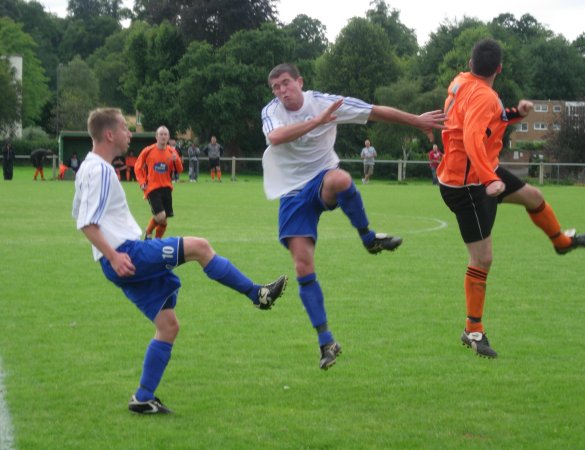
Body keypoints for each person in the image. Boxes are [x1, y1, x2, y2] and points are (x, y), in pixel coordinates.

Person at [72, 107, 288, 414]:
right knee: (200, 247)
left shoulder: (89, 168)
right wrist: (113, 255)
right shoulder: (101, 170)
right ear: (109, 134)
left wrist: (111, 256)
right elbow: (86, 222)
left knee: (168, 326)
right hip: (127, 254)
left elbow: (80, 215)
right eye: (124, 127)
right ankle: (258, 294)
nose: (129, 133)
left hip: (121, 258)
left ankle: (143, 398)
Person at [261, 63, 446, 370]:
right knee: (302, 266)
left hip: (321, 179)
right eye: (275, 87)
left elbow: (374, 111)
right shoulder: (272, 111)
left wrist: (416, 120)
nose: (281, 91)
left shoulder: (324, 102)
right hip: (292, 193)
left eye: (285, 84)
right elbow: (276, 137)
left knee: (342, 180)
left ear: (299, 82)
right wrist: (317, 122)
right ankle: (326, 342)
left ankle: (368, 238)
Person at [437, 38, 585, 359]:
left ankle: (561, 242)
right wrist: (489, 179)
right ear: (499, 68)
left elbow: (481, 121)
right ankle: (473, 330)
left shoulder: (462, 82)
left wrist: (513, 113)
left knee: (533, 196)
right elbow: (472, 136)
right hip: (468, 185)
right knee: (482, 259)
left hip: (480, 174)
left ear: (471, 64)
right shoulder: (484, 95)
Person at [135, 126, 183, 240]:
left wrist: (176, 159)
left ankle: (157, 242)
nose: (163, 136)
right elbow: (138, 167)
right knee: (161, 216)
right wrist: (142, 182)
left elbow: (179, 170)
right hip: (152, 188)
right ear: (156, 136)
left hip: (166, 188)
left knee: (164, 221)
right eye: (161, 134)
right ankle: (148, 231)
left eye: (165, 134)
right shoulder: (148, 150)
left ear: (168, 137)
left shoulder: (172, 152)